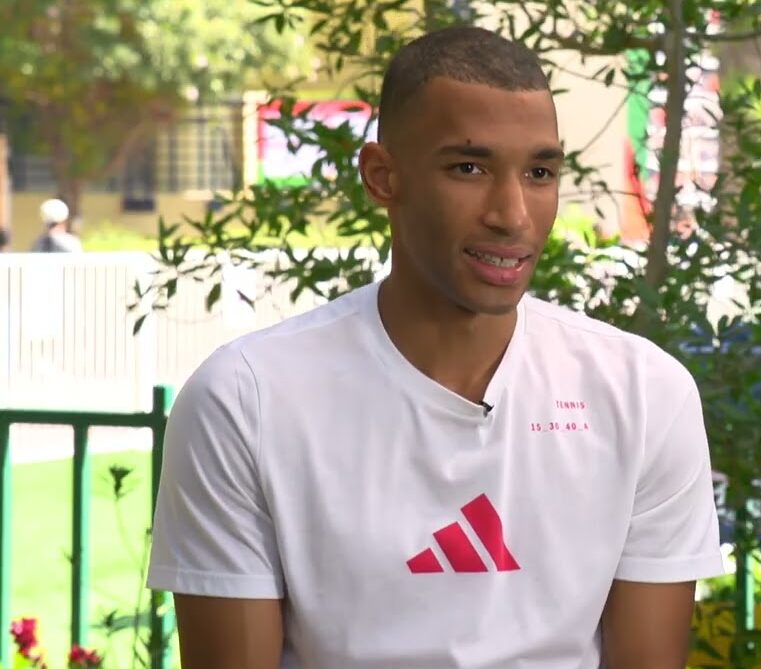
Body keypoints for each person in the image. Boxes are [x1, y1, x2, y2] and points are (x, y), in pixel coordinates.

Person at [147, 26, 724, 669]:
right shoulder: (245, 399)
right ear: (382, 177)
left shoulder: (644, 393)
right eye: (469, 168)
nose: (513, 214)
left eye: (539, 172)